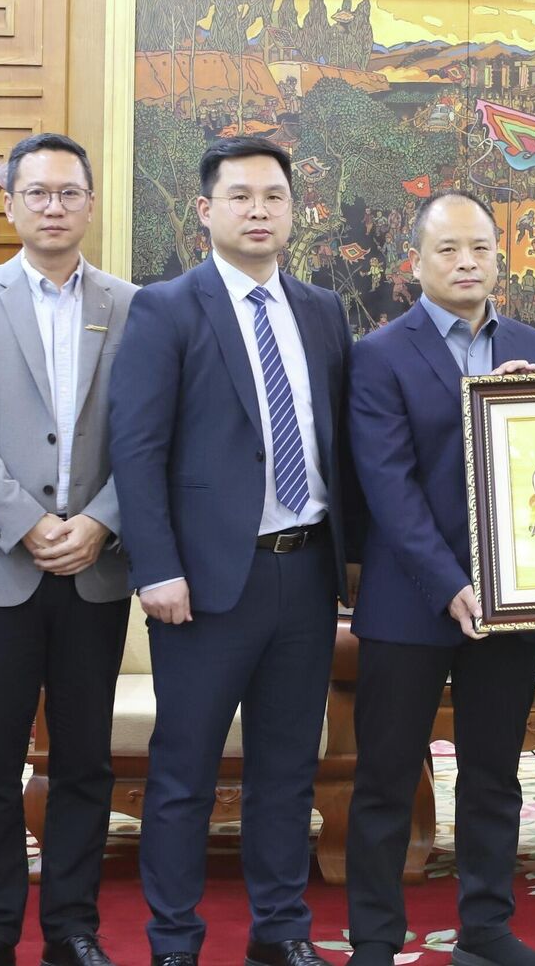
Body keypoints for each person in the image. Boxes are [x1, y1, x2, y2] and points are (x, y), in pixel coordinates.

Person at [108, 136, 361, 966]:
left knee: (286, 771)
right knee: (184, 771)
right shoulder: (167, 308)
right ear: (205, 210)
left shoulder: (322, 311)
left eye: (273, 197)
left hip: (305, 571)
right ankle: (175, 940)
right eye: (240, 196)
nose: (259, 211)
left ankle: (280, 932)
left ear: (294, 211)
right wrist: (156, 567)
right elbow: (137, 449)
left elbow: (343, 442)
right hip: (207, 581)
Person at [0, 133, 137, 966]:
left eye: (68, 193)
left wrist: (100, 521)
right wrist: (25, 522)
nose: (54, 207)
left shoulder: (130, 305)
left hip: (95, 566)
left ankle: (73, 929)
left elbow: (146, 433)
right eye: (38, 193)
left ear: (90, 204)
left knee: (84, 761)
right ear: (12, 206)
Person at [342, 190, 535, 966]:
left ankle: (487, 930)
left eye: (480, 249)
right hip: (410, 601)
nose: (467, 262)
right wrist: (449, 584)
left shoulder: (532, 343)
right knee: (387, 776)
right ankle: (375, 940)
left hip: (507, 601)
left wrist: (532, 411)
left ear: (499, 257)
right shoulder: (379, 354)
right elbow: (389, 487)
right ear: (417, 262)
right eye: (448, 250)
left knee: (494, 775)